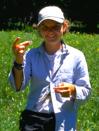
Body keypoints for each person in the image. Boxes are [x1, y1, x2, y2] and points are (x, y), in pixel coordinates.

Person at [9, 6, 91, 131]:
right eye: (45, 27)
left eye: (55, 27)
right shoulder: (31, 55)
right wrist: (19, 59)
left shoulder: (77, 56)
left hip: (63, 121)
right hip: (34, 120)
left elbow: (86, 91)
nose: (50, 32)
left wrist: (73, 90)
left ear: (64, 27)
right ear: (39, 30)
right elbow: (17, 86)